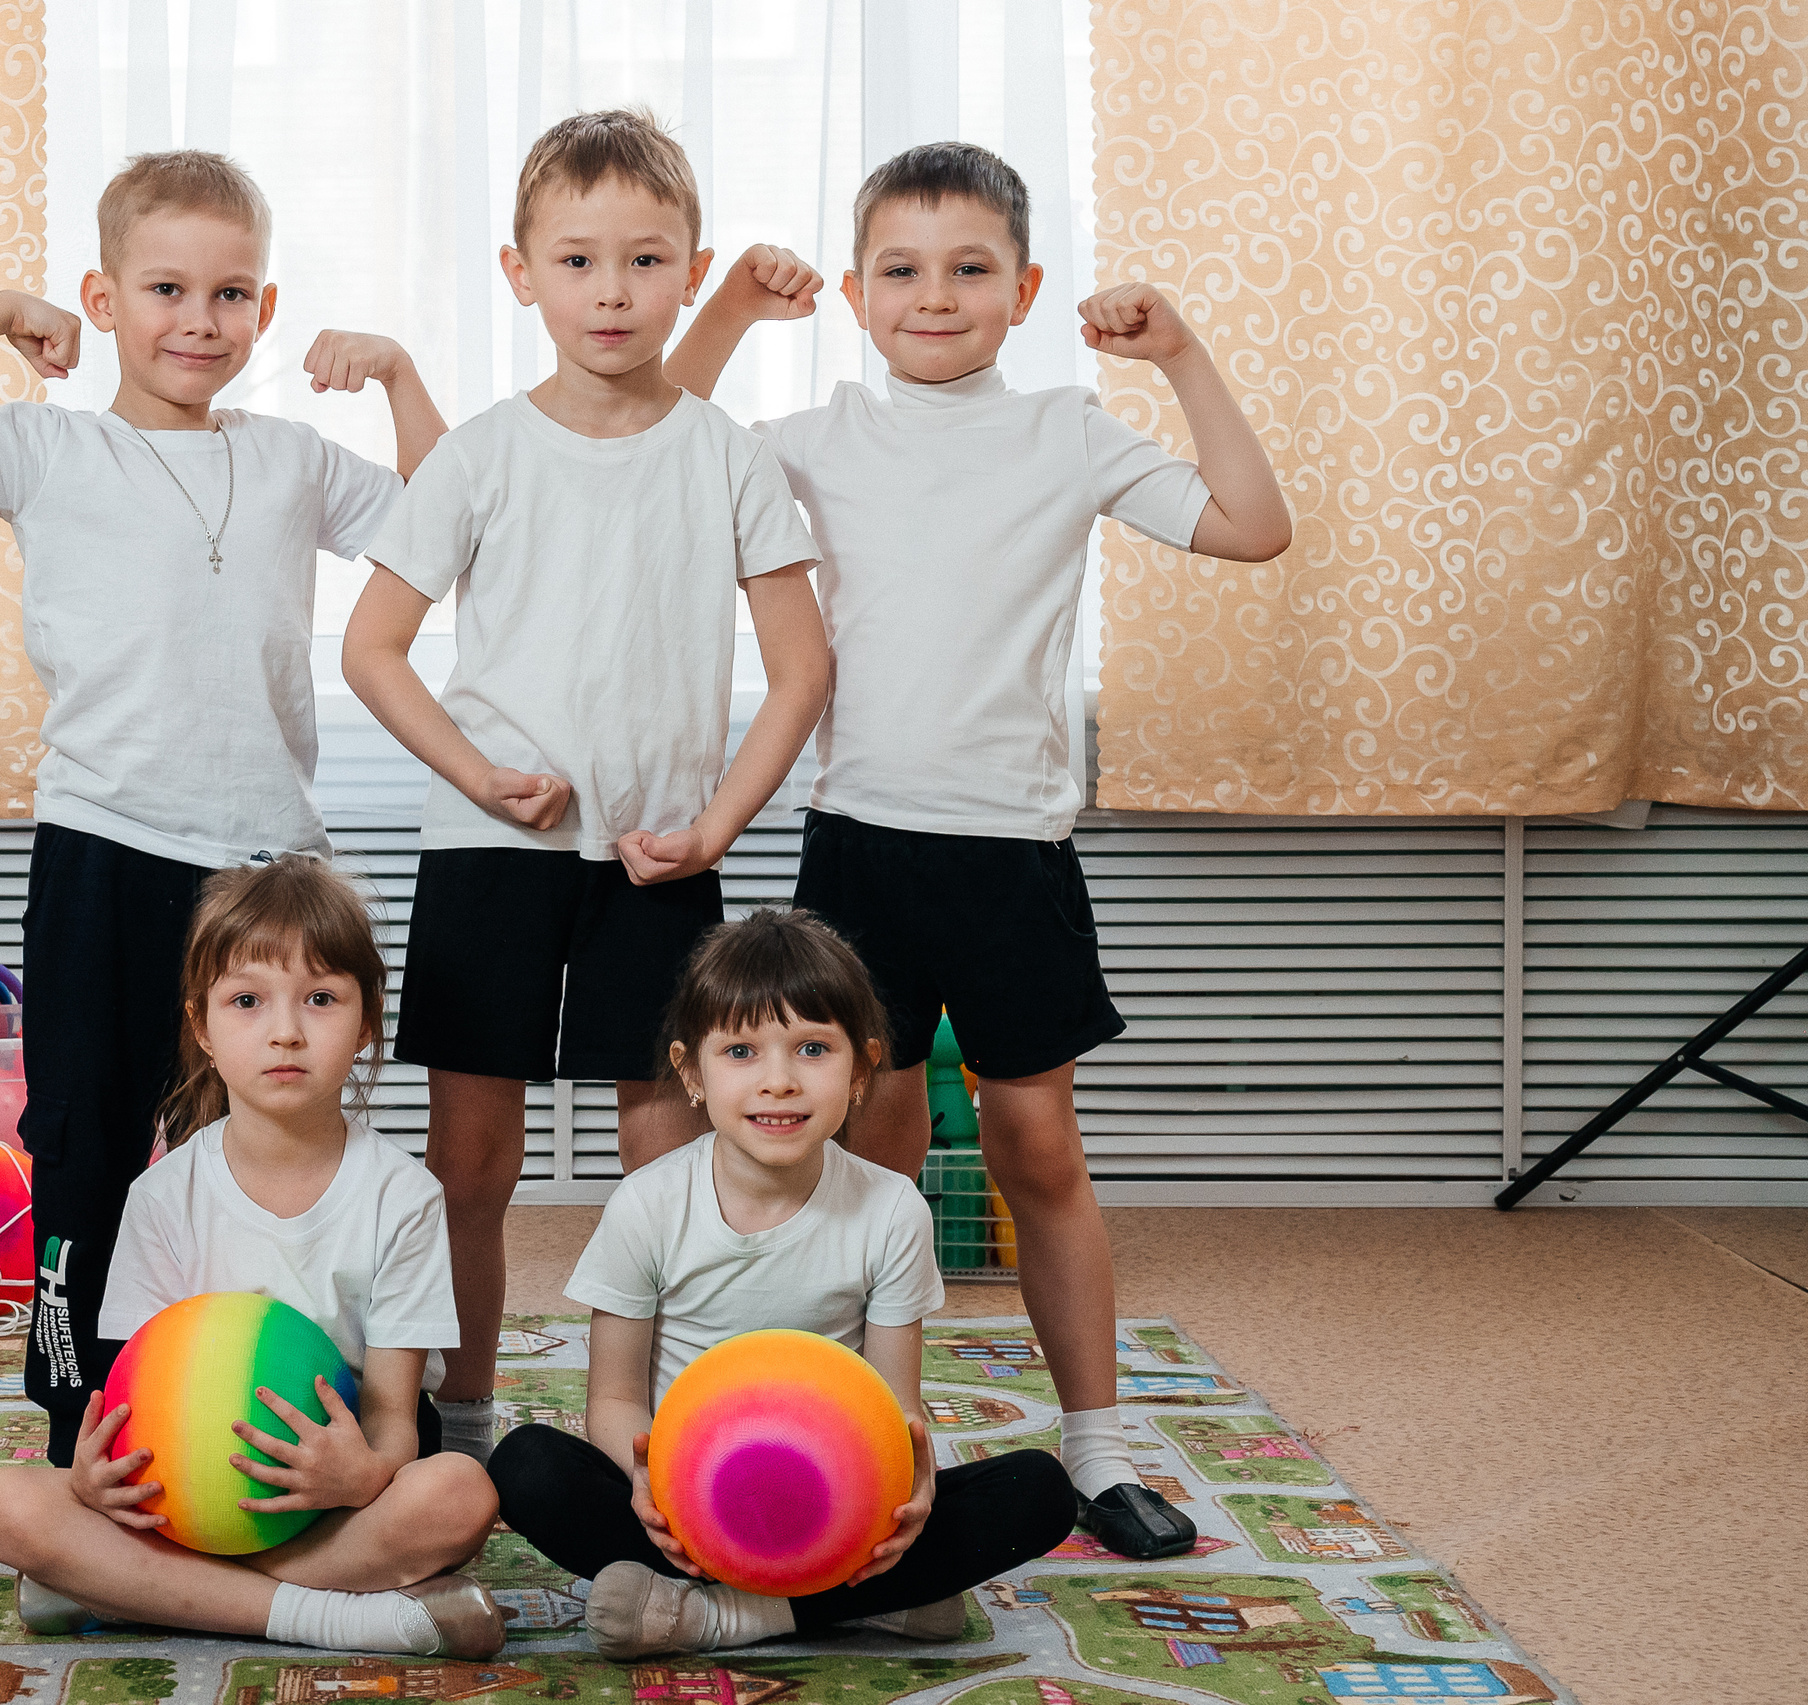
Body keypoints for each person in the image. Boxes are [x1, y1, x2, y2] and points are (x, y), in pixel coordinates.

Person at [663, 141, 1293, 1559]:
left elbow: (1256, 527)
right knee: (863, 1163)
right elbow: (653, 460)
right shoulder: (817, 437)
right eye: (900, 268)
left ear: (1024, 290)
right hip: (861, 849)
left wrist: (1181, 354)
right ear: (855, 289)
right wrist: (726, 320)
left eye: (969, 270)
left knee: (1038, 1148)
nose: (933, 296)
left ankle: (1099, 1449)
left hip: (1014, 854)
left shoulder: (1065, 429)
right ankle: (869, 1427)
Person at [0, 150, 448, 1465]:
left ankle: (285, 1388)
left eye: (230, 294)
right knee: (88, 1129)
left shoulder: (290, 460)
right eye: (165, 287)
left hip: (269, 867)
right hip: (106, 846)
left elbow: (452, 529)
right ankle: (82, 1406)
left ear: (264, 311)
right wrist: (0, 312)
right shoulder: (46, 445)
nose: (198, 320)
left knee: (276, 1131)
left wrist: (400, 376)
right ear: (102, 298)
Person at [342, 110, 832, 1462]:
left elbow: (800, 669)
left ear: (693, 270)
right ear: (521, 274)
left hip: (657, 862)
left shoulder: (724, 452)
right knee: (471, 1170)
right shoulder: (482, 455)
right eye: (577, 261)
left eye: (644, 260)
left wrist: (714, 830)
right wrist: (483, 778)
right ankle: (463, 1421)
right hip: (486, 853)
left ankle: (670, 1427)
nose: (611, 291)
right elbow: (371, 649)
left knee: (672, 1172)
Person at [488, 909, 1076, 1659]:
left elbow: (896, 1403)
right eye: (741, 1049)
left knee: (1040, 1489)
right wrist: (644, 1482)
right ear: (692, 1071)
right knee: (526, 1463)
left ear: (860, 1070)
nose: (779, 1080)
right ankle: (877, 1606)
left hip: (836, 1505)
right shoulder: (647, 1204)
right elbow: (612, 1399)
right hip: (685, 1503)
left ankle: (722, 1617)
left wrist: (915, 1488)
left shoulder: (891, 1208)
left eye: (811, 1048)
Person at [0, 855, 505, 1657]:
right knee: (3, 1505)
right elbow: (136, 1397)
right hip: (183, 1503)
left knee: (461, 1493)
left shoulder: (405, 1196)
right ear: (202, 1027)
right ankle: (325, 1612)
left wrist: (360, 1475)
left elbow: (393, 1419)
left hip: (333, 1500)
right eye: (247, 1001)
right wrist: (91, 1477)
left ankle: (137, 1593)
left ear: (365, 1025)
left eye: (320, 998)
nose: (285, 1029)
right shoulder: (162, 1195)